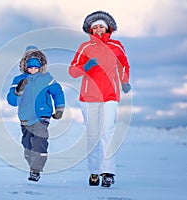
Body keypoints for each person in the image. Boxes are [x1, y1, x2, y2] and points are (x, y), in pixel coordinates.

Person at [68, 11, 131, 187]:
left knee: (107, 132)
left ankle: (108, 172)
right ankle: (94, 171)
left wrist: (125, 81)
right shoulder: (85, 48)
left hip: (110, 95)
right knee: (93, 135)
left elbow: (124, 65)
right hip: (88, 97)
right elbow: (72, 71)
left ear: (107, 27)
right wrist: (86, 66)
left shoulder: (117, 46)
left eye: (101, 26)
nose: (98, 29)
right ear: (90, 29)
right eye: (94, 27)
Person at [7, 45, 65, 182]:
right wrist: (17, 92)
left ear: (41, 66)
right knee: (27, 144)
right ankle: (32, 164)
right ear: (24, 66)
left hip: (42, 116)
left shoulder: (47, 78)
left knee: (39, 141)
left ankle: (36, 169)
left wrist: (59, 109)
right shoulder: (18, 80)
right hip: (25, 117)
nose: (33, 70)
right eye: (30, 67)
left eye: (36, 67)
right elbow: (11, 101)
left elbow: (57, 93)